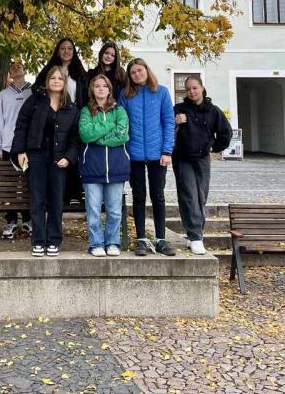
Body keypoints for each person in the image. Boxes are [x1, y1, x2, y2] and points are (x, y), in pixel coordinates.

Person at [12, 66, 80, 257]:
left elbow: (75, 139)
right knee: (37, 200)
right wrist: (20, 151)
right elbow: (21, 126)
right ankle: (38, 241)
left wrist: (69, 158)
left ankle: (54, 240)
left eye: (60, 78)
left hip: (59, 160)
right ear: (47, 80)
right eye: (53, 78)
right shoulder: (34, 101)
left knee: (56, 202)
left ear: (64, 83)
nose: (56, 81)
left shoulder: (71, 108)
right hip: (36, 157)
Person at [119, 58, 176, 257]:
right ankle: (141, 239)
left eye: (139, 70)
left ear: (146, 70)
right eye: (133, 72)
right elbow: (121, 123)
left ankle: (161, 239)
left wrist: (167, 151)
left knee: (158, 195)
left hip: (157, 154)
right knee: (139, 196)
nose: (137, 74)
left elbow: (168, 122)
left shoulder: (161, 92)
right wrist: (124, 150)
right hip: (133, 154)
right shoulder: (125, 94)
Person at [173, 76, 232, 255]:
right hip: (183, 158)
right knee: (188, 195)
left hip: (202, 158)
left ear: (202, 88)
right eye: (188, 89)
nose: (191, 92)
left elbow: (225, 132)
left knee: (201, 196)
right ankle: (195, 236)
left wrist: (214, 147)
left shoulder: (213, 111)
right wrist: (175, 122)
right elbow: (166, 129)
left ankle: (195, 231)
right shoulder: (179, 109)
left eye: (194, 88)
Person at [79, 74, 130, 257]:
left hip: (116, 167)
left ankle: (113, 243)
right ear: (92, 90)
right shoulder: (86, 111)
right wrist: (109, 126)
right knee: (93, 211)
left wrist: (98, 135)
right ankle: (96, 244)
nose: (101, 89)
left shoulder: (119, 110)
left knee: (114, 211)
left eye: (104, 86)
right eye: (97, 86)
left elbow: (122, 135)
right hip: (92, 168)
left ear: (109, 89)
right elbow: (85, 134)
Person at [34, 38, 87, 204]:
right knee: (56, 153)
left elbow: (85, 95)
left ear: (74, 51)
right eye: (63, 48)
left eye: (70, 48)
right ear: (58, 51)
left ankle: (73, 194)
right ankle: (57, 196)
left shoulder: (80, 72)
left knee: (72, 150)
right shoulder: (50, 70)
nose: (66, 51)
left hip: (74, 115)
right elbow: (36, 88)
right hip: (54, 115)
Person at [0, 60, 33, 239]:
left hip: (27, 146)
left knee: (27, 184)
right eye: (12, 67)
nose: (16, 68)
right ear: (9, 72)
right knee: (10, 185)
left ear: (25, 70)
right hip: (9, 146)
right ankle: (10, 221)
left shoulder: (33, 91)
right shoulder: (4, 94)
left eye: (19, 66)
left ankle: (28, 220)